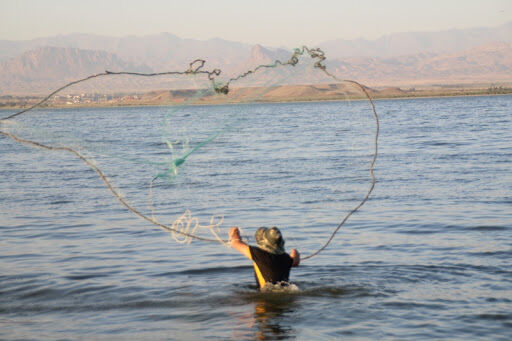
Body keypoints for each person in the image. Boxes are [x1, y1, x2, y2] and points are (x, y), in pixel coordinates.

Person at [229, 226, 300, 290]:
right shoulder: (286, 257)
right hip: (285, 290)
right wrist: (295, 252)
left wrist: (234, 233)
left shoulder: (258, 254)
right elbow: (295, 262)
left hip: (266, 294)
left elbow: (236, 243)